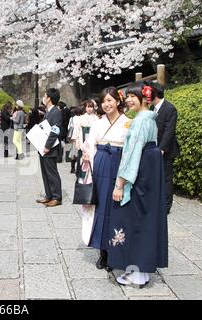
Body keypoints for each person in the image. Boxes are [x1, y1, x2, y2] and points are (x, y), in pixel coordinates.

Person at [109, 82, 168, 287]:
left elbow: (132, 154)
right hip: (149, 176)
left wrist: (120, 184)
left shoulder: (140, 121)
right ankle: (142, 269)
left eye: (133, 96)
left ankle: (136, 272)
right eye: (127, 96)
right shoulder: (149, 119)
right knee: (146, 219)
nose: (128, 100)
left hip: (139, 176)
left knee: (133, 220)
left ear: (144, 98)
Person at [81, 87, 130, 271]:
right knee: (100, 207)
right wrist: (87, 155)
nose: (107, 104)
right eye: (104, 101)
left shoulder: (128, 122)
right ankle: (103, 252)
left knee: (116, 207)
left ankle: (116, 250)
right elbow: (89, 145)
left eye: (110, 100)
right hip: (100, 164)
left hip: (119, 163)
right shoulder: (98, 123)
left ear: (118, 101)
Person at [150, 82, 180, 215]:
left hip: (165, 151)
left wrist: (161, 149)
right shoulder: (152, 109)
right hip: (152, 149)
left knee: (166, 178)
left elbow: (169, 132)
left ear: (154, 93)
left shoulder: (170, 108)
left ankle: (166, 206)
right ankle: (156, 202)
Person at [36, 88, 63, 207]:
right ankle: (49, 195)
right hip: (43, 147)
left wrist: (47, 146)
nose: (43, 97)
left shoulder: (56, 112)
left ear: (49, 98)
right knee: (45, 172)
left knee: (52, 173)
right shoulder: (49, 111)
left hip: (50, 149)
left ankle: (57, 197)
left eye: (45, 96)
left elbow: (55, 131)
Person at [71, 100, 99, 179]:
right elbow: (77, 129)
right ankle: (81, 175)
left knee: (92, 157)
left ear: (93, 108)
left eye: (91, 107)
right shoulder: (81, 118)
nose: (90, 109)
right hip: (82, 138)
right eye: (88, 107)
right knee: (81, 157)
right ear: (85, 108)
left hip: (92, 139)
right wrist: (76, 141)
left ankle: (91, 176)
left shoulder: (96, 118)